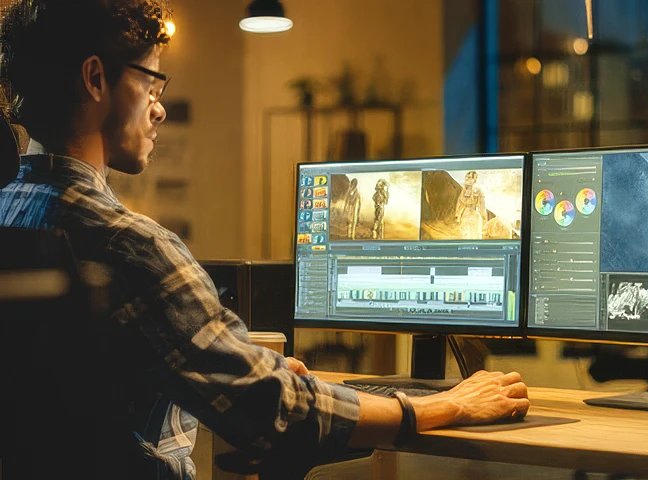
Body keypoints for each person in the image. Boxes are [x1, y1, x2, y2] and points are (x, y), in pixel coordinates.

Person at [0, 1, 529, 479]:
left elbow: (85, 382)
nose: (159, 108)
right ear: (95, 78)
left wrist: (227, 354)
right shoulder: (131, 245)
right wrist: (442, 406)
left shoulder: (10, 215)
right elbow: (275, 411)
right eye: (152, 86)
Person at [455, 170, 487, 240]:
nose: (468, 180)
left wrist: (457, 215)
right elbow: (482, 206)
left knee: (467, 236)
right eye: (468, 178)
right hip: (473, 214)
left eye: (470, 178)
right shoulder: (478, 190)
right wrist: (484, 217)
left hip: (468, 214)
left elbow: (459, 204)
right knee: (475, 236)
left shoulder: (464, 191)